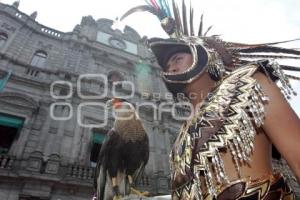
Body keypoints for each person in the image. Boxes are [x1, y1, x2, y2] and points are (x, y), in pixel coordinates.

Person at [120, 0, 300, 199]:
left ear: (204, 53)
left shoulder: (249, 83)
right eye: (167, 65)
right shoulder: (181, 135)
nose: (170, 68)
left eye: (177, 59)